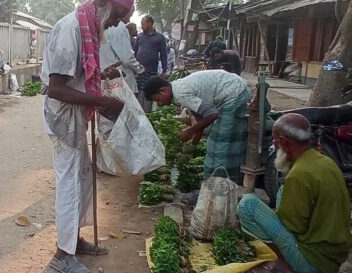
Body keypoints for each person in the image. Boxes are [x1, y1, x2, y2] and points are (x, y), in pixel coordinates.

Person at [41, 0, 134, 273]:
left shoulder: (89, 26)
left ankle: (73, 241)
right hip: (63, 117)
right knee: (69, 183)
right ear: (104, 4)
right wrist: (103, 102)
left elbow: (80, 74)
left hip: (76, 115)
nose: (116, 24)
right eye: (118, 16)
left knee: (83, 178)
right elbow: (56, 88)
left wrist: (101, 77)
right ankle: (61, 256)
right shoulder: (72, 28)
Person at [238, 114, 352, 273]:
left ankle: (285, 265)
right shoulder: (325, 161)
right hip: (334, 255)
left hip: (313, 262)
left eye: (275, 140)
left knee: (247, 204)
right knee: (283, 191)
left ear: (284, 141)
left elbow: (293, 226)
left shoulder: (299, 174)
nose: (274, 144)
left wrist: (269, 217)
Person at [144, 70, 250, 183]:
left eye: (158, 100)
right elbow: (200, 118)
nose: (160, 104)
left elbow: (212, 115)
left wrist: (189, 131)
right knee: (226, 140)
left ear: (163, 90)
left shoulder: (181, 93)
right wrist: (193, 146)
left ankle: (220, 182)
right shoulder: (179, 87)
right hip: (236, 88)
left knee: (220, 144)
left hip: (234, 93)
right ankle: (227, 178)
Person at [100, 7, 144, 94]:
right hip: (122, 79)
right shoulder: (119, 27)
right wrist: (140, 69)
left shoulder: (103, 26)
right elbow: (127, 58)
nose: (129, 18)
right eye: (130, 14)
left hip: (106, 77)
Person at [134, 16, 167, 112]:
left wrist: (164, 70)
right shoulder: (139, 36)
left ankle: (147, 115)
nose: (141, 26)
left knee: (148, 92)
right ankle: (138, 113)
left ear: (149, 23)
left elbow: (164, 55)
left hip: (151, 71)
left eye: (143, 23)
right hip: (138, 71)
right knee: (138, 92)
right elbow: (134, 52)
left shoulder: (160, 38)